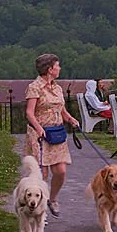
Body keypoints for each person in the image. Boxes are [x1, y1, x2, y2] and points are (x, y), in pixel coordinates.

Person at [25, 52, 75, 218]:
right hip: (40, 135)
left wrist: (70, 119)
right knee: (42, 174)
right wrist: (38, 128)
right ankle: (38, 210)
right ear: (49, 69)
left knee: (60, 171)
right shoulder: (35, 87)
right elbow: (29, 113)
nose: (59, 68)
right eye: (57, 66)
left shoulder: (57, 88)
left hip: (57, 133)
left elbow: (61, 110)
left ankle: (52, 199)